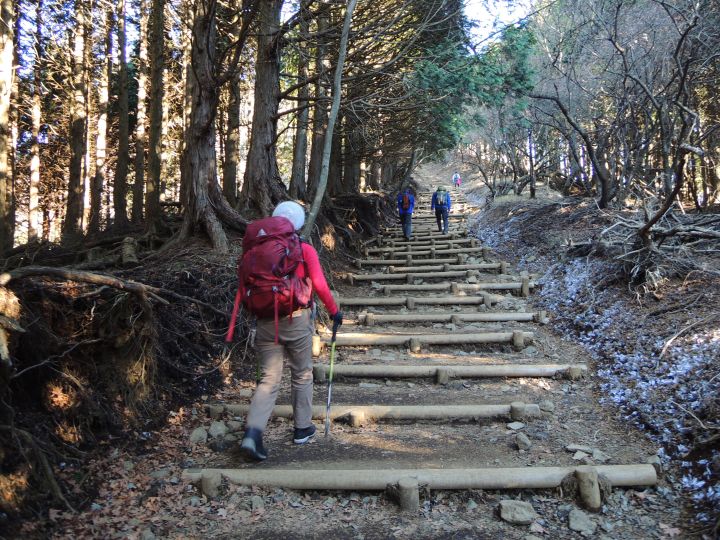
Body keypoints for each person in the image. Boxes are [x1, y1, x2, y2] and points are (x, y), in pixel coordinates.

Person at [239, 201, 343, 461]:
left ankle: (253, 433)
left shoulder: (255, 250)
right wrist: (334, 312)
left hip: (265, 321)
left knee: (268, 380)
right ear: (298, 224)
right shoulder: (303, 249)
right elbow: (319, 284)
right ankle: (302, 428)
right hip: (296, 319)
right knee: (302, 374)